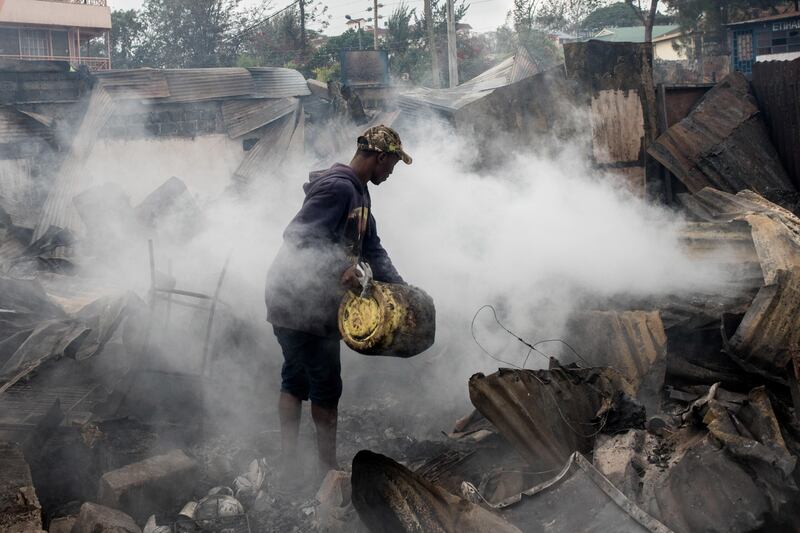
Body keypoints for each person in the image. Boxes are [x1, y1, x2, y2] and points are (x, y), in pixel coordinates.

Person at [265, 125, 412, 483]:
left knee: (295, 378)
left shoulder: (359, 193)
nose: (392, 172)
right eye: (392, 163)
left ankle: (290, 464)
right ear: (380, 157)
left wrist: (403, 289)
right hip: (300, 302)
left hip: (296, 300)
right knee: (325, 387)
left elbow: (372, 249)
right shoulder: (338, 188)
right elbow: (298, 237)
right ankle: (326, 473)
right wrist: (340, 267)